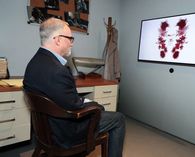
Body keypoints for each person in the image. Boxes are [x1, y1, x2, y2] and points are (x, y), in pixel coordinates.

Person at [23, 17, 125, 157]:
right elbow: (75, 106)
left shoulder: (33, 63)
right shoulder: (58, 71)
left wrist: (82, 101)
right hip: (64, 133)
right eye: (70, 38)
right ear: (58, 39)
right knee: (118, 118)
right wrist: (97, 106)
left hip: (45, 129)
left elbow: (65, 99)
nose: (71, 43)